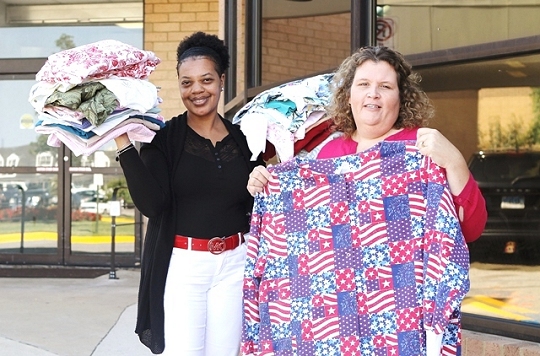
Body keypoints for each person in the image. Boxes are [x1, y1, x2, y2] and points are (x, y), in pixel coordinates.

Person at [241, 46, 483, 356]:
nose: (374, 94)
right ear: (349, 95)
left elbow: (469, 229)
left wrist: (454, 162)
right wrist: (266, 185)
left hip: (399, 323)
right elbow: (294, 235)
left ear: (401, 97)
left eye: (385, 86)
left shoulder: (420, 150)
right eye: (364, 84)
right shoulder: (325, 156)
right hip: (331, 327)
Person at [114, 31, 264, 355]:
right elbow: (152, 205)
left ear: (222, 80)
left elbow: (258, 201)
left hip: (235, 264)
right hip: (184, 268)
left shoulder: (244, 137)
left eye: (206, 79)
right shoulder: (162, 139)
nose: (197, 90)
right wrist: (122, 141)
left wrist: (268, 169)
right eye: (187, 82)